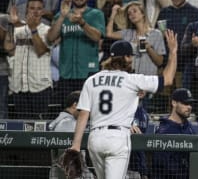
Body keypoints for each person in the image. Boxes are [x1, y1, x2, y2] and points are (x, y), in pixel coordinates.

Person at [68, 29, 178, 179]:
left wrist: (75, 145)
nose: (131, 60)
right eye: (130, 57)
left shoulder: (92, 80)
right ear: (126, 57)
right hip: (118, 138)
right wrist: (173, 52)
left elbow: (83, 114)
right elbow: (168, 79)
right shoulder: (131, 80)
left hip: (95, 139)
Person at [47, 0, 105, 106]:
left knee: (88, 110)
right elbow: (51, 37)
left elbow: (97, 37)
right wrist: (62, 17)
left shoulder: (96, 15)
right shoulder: (61, 15)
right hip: (66, 73)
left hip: (88, 72)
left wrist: (82, 23)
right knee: (67, 111)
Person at [4, 0, 52, 119]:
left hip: (40, 87)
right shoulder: (18, 29)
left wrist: (33, 30)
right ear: (26, 10)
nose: (35, 11)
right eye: (32, 8)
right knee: (22, 126)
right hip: (19, 86)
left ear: (42, 11)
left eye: (39, 9)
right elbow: (8, 48)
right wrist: (12, 24)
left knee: (39, 126)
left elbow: (41, 50)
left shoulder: (47, 31)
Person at [157, 0, 198, 88]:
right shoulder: (164, 13)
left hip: (186, 65)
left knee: (182, 98)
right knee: (163, 99)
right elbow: (158, 36)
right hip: (166, 63)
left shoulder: (196, 13)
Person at [107, 1, 166, 76]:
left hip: (148, 79)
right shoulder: (128, 33)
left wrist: (149, 49)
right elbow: (109, 34)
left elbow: (160, 62)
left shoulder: (156, 34)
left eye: (135, 11)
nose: (132, 14)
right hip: (131, 79)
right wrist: (113, 13)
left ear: (143, 13)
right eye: (129, 14)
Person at [48, 91, 95, 179]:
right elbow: (72, 164)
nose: (87, 111)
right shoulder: (67, 124)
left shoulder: (65, 121)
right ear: (75, 105)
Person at [152, 88, 197, 179]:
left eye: (190, 104)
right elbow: (161, 166)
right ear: (174, 103)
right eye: (185, 103)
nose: (189, 107)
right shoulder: (163, 131)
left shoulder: (189, 127)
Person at [127, 104, 150, 179]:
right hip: (124, 163)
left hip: (138, 167)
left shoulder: (144, 113)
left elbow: (142, 145)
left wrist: (144, 171)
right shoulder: (123, 109)